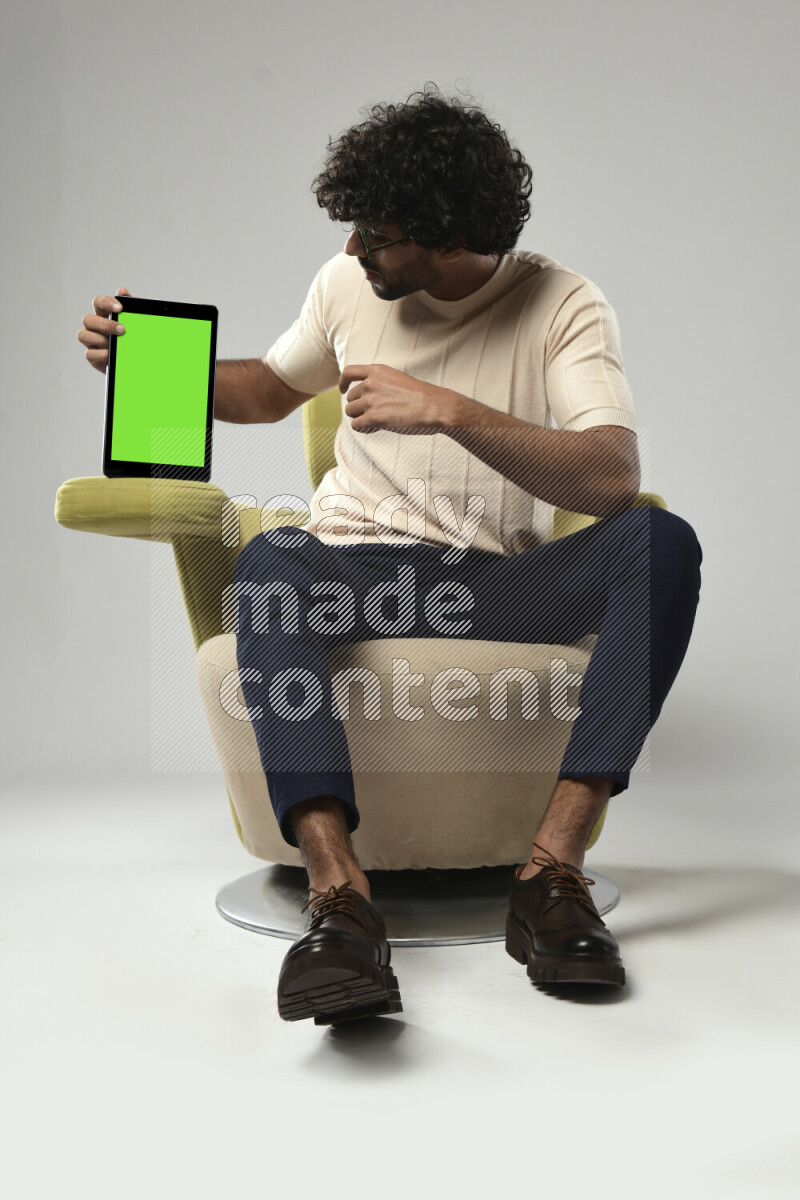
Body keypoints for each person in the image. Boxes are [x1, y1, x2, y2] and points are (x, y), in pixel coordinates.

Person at [79, 84, 702, 1026]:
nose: (350, 250)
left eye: (375, 234)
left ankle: (551, 877)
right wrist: (146, 363)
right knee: (272, 562)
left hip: (492, 587)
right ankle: (339, 900)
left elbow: (612, 475)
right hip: (350, 575)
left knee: (660, 542)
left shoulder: (563, 304)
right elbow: (264, 390)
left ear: (448, 238)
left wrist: (446, 410)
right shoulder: (345, 286)